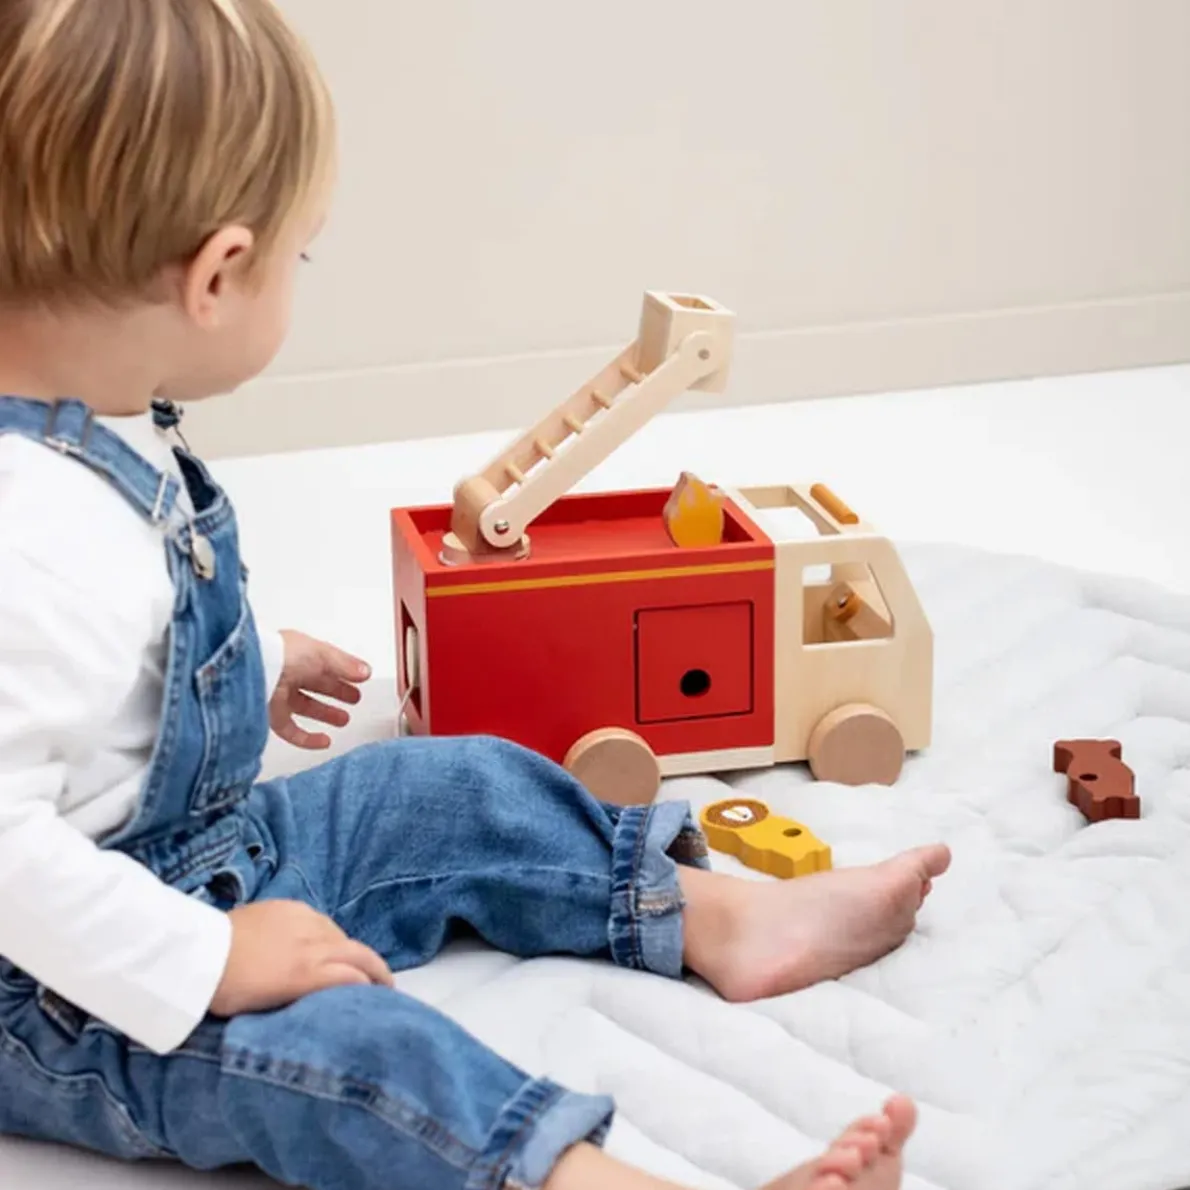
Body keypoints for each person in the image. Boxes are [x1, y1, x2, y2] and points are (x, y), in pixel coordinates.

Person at [0, 3, 951, 1188]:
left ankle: (710, 914)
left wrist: (246, 664)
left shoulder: (87, 428)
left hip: (200, 850)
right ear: (219, 275)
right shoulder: (29, 531)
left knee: (450, 785)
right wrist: (208, 959)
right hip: (60, 981)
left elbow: (100, 650)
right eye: (300, 257)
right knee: (353, 1051)